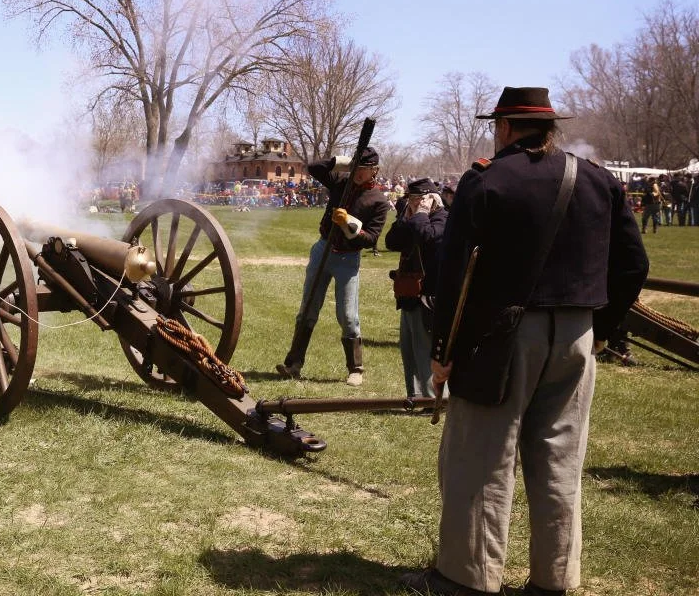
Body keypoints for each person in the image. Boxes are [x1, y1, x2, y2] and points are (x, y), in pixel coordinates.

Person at [400, 87, 648, 596]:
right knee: (561, 461)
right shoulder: (598, 181)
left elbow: (452, 278)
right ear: (549, 127)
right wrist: (600, 330)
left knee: (483, 460)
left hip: (502, 338)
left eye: (498, 125)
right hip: (577, 333)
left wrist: (443, 350)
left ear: (507, 127)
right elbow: (633, 264)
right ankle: (553, 582)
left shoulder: (486, 182)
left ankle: (466, 580)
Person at [277, 146, 389, 386]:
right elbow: (315, 168)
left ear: (375, 171)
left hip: (348, 259)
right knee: (307, 309)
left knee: (348, 316)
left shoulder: (379, 201)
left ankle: (356, 369)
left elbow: (371, 239)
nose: (359, 172)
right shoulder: (341, 181)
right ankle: (293, 364)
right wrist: (342, 161)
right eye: (356, 166)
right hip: (322, 250)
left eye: (365, 168)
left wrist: (350, 224)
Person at [383, 177, 446, 400]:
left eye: (419, 199)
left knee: (425, 350)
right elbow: (391, 242)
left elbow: (427, 237)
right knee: (409, 350)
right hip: (409, 292)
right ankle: (416, 396)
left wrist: (420, 215)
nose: (413, 203)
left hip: (429, 295)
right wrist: (405, 218)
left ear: (431, 200)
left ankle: (432, 398)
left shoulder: (442, 218)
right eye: (411, 199)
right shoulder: (413, 219)